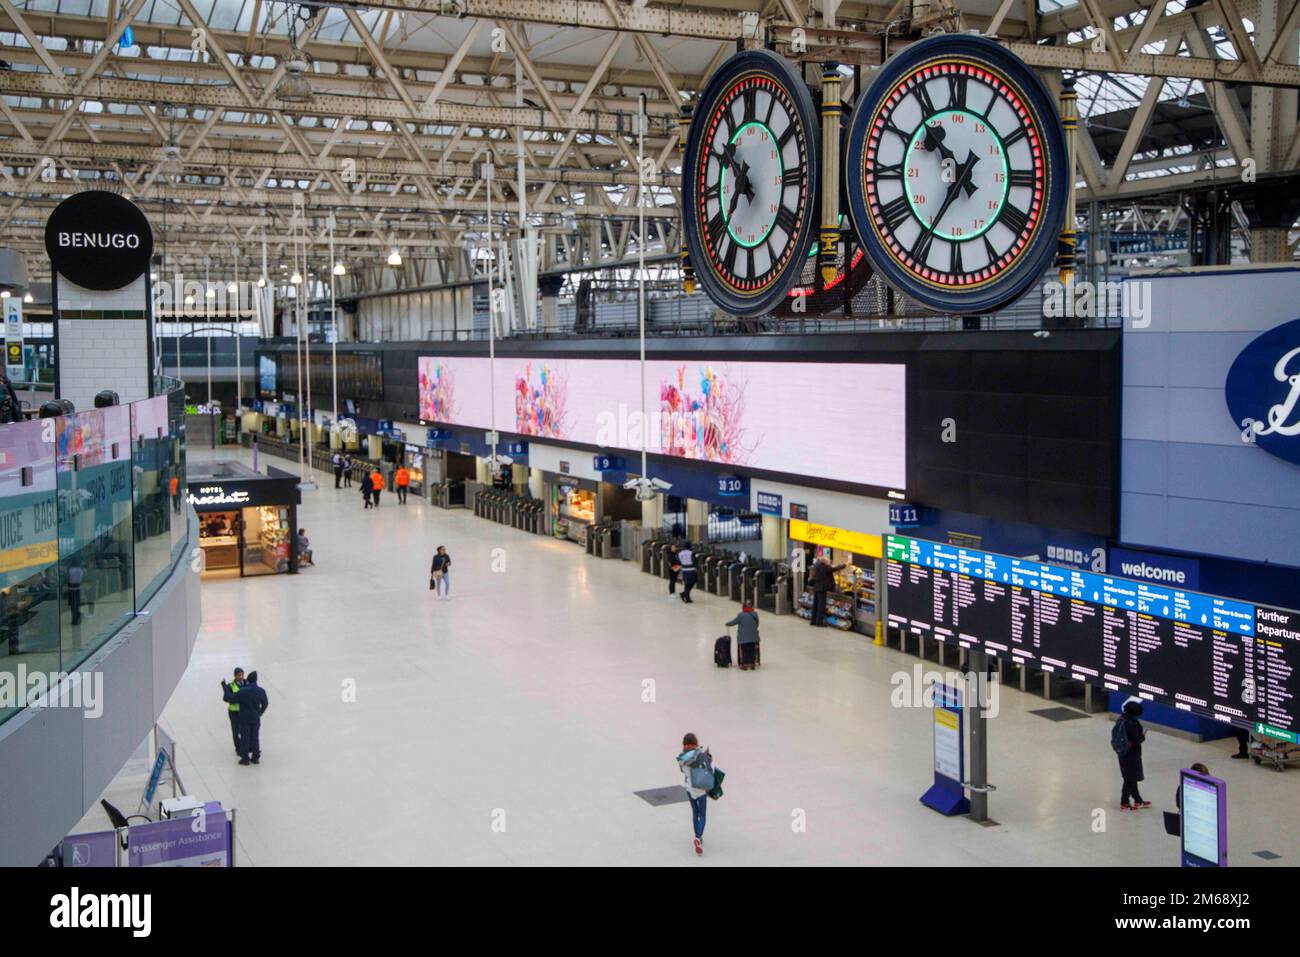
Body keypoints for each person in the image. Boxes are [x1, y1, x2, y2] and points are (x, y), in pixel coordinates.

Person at [223, 670, 269, 765]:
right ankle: (255, 757)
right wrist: (259, 713)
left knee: (245, 737)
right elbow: (265, 704)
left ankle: (245, 759)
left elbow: (229, 698)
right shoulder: (261, 691)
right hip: (256, 718)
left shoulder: (243, 691)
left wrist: (225, 688)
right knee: (255, 737)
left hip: (244, 718)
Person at [677, 733, 711, 855]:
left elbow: (683, 772)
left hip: (689, 789)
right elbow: (709, 770)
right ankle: (698, 837)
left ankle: (697, 836)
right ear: (695, 743)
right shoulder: (701, 755)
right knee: (702, 815)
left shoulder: (681, 759)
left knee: (695, 812)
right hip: (701, 789)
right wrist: (708, 757)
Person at [1117, 697, 1150, 811]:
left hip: (1123, 753)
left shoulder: (1121, 719)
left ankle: (1138, 800)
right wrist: (1143, 737)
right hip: (1132, 755)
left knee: (1131, 777)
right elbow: (1136, 740)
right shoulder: (1132, 724)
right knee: (1129, 779)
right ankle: (1124, 802)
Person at [809, 556, 846, 627]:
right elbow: (835, 568)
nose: (829, 562)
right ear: (825, 562)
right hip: (822, 589)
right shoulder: (825, 567)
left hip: (816, 588)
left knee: (815, 604)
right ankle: (819, 622)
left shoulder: (817, 566)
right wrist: (845, 564)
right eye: (828, 561)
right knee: (821, 606)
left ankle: (813, 621)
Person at [727, 603, 761, 670]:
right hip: (753, 637)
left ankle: (745, 664)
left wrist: (727, 623)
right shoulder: (755, 614)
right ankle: (752, 663)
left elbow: (733, 622)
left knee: (744, 650)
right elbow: (757, 624)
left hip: (743, 638)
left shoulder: (740, 615)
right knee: (752, 649)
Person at [222, 667, 244, 755]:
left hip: (243, 711)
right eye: (239, 675)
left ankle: (244, 746)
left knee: (243, 730)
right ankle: (238, 748)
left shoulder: (246, 683)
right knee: (235, 731)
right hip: (234, 712)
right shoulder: (230, 686)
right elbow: (226, 697)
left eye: (242, 675)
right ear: (235, 676)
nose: (241, 677)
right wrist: (237, 699)